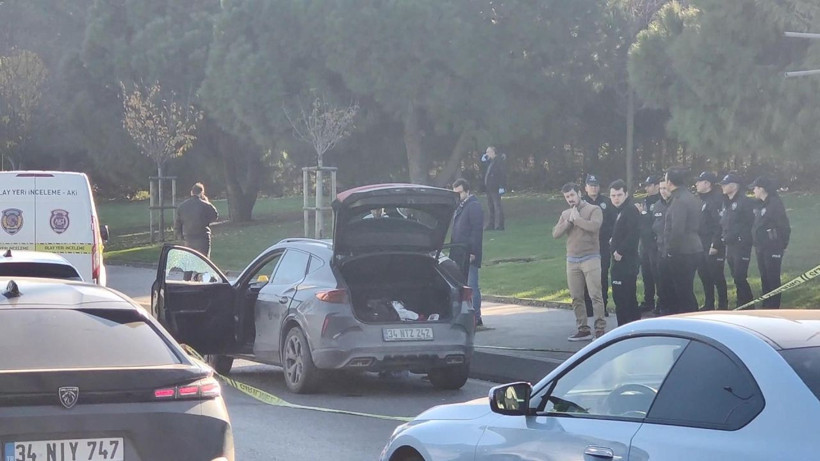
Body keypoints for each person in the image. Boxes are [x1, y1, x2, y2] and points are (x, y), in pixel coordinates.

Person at [552, 183, 606, 341]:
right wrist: (569, 221)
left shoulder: (594, 209)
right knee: (576, 296)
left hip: (591, 257)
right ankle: (583, 329)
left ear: (579, 194)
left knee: (595, 294)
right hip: (572, 260)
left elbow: (595, 227)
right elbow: (555, 234)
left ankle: (600, 329)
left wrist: (578, 220)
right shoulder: (566, 213)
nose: (570, 199)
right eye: (567, 197)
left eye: (572, 195)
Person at [662, 167, 702, 314]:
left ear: (670, 182)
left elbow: (677, 229)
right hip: (694, 247)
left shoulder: (679, 200)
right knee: (686, 289)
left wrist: (671, 251)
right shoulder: (691, 197)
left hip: (683, 251)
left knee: (683, 292)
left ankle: (690, 321)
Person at [750, 176, 791, 308]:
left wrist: (782, 244)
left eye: (755, 188)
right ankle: (766, 304)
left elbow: (784, 226)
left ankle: (773, 306)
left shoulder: (774, 204)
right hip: (761, 247)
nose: (753, 191)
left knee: (772, 277)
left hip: (772, 247)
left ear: (762, 188)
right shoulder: (760, 204)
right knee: (764, 277)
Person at [450, 178, 485, 326]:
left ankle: (476, 317)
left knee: (472, 285)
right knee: (463, 286)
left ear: (467, 191)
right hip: (459, 253)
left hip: (469, 253)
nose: (457, 196)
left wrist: (473, 252)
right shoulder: (461, 206)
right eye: (455, 194)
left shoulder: (473, 206)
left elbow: (476, 232)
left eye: (460, 193)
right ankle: (468, 316)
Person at [608, 179, 642, 325]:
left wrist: (620, 251)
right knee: (620, 298)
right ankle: (624, 328)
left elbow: (634, 234)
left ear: (626, 194)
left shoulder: (630, 210)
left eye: (619, 195)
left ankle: (629, 329)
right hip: (619, 263)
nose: (616, 198)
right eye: (613, 195)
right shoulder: (619, 211)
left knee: (626, 298)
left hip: (626, 262)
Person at [720, 172, 755, 307]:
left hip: (741, 245)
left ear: (734, 186)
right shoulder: (727, 203)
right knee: (736, 277)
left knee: (740, 276)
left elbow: (748, 223)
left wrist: (741, 237)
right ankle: (743, 303)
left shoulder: (744, 202)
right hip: (730, 245)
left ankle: (747, 304)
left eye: (725, 184)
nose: (722, 187)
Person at [583, 174, 615, 317]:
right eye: (591, 185)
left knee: (602, 275)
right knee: (586, 276)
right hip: (586, 245)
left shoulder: (607, 202)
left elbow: (613, 222)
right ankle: (588, 307)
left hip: (603, 244)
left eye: (596, 185)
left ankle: (602, 307)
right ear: (586, 187)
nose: (594, 187)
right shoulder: (582, 203)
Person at [695, 171, 728, 310]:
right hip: (702, 242)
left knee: (716, 275)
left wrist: (715, 244)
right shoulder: (703, 199)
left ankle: (722, 304)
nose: (696, 184)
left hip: (712, 243)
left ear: (707, 184)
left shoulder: (715, 200)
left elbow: (718, 224)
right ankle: (709, 303)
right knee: (704, 274)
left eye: (699, 181)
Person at [637, 174, 662, 312]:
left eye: (649, 185)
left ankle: (661, 301)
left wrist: (644, 215)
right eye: (646, 186)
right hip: (644, 243)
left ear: (657, 186)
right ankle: (648, 300)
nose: (647, 188)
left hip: (655, 243)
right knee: (646, 274)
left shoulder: (660, 201)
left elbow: (655, 221)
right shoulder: (645, 201)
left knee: (656, 273)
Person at [175, 182, 219, 258]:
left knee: (189, 261)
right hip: (203, 236)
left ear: (191, 192)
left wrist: (180, 235)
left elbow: (178, 223)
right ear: (202, 192)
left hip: (189, 237)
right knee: (204, 261)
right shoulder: (206, 205)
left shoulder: (182, 206)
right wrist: (206, 221)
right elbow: (215, 215)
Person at [652, 181, 672, 316]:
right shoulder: (657, 205)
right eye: (661, 188)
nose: (663, 191)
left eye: (665, 188)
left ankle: (673, 307)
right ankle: (663, 305)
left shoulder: (675, 204)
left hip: (673, 248)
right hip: (659, 247)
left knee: (672, 280)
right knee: (660, 279)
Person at [481, 146, 507, 231]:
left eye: (488, 152)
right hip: (489, 187)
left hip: (495, 187)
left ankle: (500, 225)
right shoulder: (490, 162)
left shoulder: (499, 161)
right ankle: (491, 224)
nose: (487, 154)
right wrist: (484, 162)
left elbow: (502, 174)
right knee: (490, 207)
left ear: (493, 152)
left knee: (497, 206)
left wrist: (501, 186)